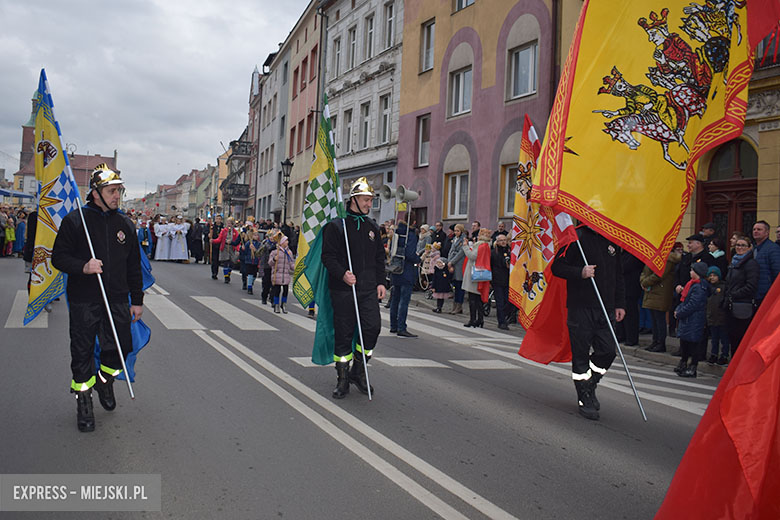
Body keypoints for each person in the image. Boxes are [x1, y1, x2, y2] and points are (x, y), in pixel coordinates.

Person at [51, 164, 144, 433]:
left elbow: (133, 267)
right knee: (82, 352)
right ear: (96, 193)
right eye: (112, 190)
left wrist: (136, 300)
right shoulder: (75, 220)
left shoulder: (125, 224)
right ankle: (84, 400)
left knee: (119, 347)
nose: (117, 195)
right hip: (84, 298)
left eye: (119, 190)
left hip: (116, 298)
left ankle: (104, 380)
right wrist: (84, 266)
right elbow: (58, 257)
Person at [551, 226, 626, 421]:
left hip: (606, 307)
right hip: (581, 306)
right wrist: (580, 272)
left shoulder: (612, 240)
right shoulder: (575, 237)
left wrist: (620, 303)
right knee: (581, 354)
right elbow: (557, 267)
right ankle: (584, 397)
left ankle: (589, 384)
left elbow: (618, 276)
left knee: (608, 351)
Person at [321, 177, 386, 399]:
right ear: (354, 199)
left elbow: (379, 258)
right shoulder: (336, 226)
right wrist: (343, 273)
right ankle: (342, 379)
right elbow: (327, 257)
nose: (370, 204)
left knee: (372, 329)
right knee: (344, 333)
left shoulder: (372, 228)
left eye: (370, 200)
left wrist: (381, 282)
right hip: (342, 290)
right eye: (367, 200)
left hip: (367, 289)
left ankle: (359, 369)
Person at [640, 249, 681, 353]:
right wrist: (643, 281)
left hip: (661, 292)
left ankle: (661, 343)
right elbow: (644, 272)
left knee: (660, 319)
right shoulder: (653, 257)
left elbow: (659, 275)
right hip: (651, 291)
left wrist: (645, 282)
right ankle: (655, 341)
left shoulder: (667, 260)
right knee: (654, 319)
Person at [674, 262, 710, 378]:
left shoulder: (700, 287)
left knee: (694, 344)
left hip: (695, 319)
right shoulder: (691, 284)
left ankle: (692, 367)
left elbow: (693, 304)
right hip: (688, 319)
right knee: (685, 341)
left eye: (692, 270)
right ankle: (683, 363)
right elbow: (685, 300)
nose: (690, 272)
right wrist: (679, 309)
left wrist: (680, 313)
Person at [725, 236, 759, 354]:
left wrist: (734, 294)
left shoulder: (750, 263)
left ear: (749, 248)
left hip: (742, 305)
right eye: (738, 245)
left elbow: (751, 286)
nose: (739, 247)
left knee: (740, 338)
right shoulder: (734, 262)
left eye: (743, 245)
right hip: (731, 304)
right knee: (732, 338)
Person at [389, 220, 419, 337]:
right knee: (404, 300)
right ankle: (401, 327)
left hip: (395, 269)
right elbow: (410, 254)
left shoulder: (396, 233)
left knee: (395, 298)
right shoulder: (410, 235)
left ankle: (393, 325)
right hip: (406, 270)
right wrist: (418, 259)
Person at [462, 228, 492, 328]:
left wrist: (465, 247)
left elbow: (472, 256)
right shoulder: (486, 245)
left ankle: (473, 319)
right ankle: (480, 319)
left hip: (474, 273)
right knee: (478, 298)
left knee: (472, 298)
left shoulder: (481, 244)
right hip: (481, 272)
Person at [751, 220, 780, 307]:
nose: (756, 231)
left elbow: (777, 272)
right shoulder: (754, 249)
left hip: (766, 294)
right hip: (755, 293)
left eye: (759, 229)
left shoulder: (773, 249)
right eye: (754, 229)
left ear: (767, 232)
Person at [705, 266, 729, 366]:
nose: (712, 277)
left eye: (714, 275)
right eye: (710, 276)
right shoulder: (708, 288)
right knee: (714, 339)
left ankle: (724, 355)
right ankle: (714, 354)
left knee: (724, 338)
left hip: (722, 317)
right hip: (712, 317)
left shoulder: (723, 287)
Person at [268, 235, 295, 313]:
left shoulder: (289, 252)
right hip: (277, 274)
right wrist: (274, 259)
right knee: (277, 290)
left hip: (285, 274)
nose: (288, 242)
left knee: (285, 290)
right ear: (282, 242)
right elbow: (270, 263)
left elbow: (291, 263)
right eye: (286, 241)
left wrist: (295, 268)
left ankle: (283, 304)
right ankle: (276, 305)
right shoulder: (275, 252)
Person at [490, 233, 511, 329]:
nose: (503, 242)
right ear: (497, 242)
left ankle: (506, 317)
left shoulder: (510, 251)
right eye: (501, 240)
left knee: (508, 301)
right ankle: (501, 321)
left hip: (508, 280)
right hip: (497, 280)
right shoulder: (494, 252)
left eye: (504, 240)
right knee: (500, 302)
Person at [446, 224, 467, 314]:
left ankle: (459, 305)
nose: (456, 232)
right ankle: (455, 304)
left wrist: (452, 262)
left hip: (459, 264)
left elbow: (461, 253)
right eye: (455, 231)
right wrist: (449, 261)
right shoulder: (455, 239)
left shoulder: (463, 240)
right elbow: (451, 250)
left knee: (459, 286)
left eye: (457, 231)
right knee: (455, 286)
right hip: (453, 263)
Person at [213, 217, 239, 283]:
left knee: (231, 263)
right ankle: (226, 277)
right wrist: (213, 241)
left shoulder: (235, 232)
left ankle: (228, 274)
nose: (229, 224)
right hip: (224, 247)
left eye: (230, 223)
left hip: (232, 247)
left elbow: (237, 241)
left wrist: (237, 249)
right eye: (228, 223)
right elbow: (219, 239)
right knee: (225, 262)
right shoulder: (223, 231)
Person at [430, 242, 452, 313]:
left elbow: (448, 278)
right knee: (438, 298)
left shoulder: (445, 270)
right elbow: (434, 279)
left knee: (441, 298)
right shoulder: (436, 270)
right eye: (438, 263)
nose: (438, 264)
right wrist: (433, 287)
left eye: (440, 263)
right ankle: (438, 307)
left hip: (443, 287)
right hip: (438, 287)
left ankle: (440, 307)